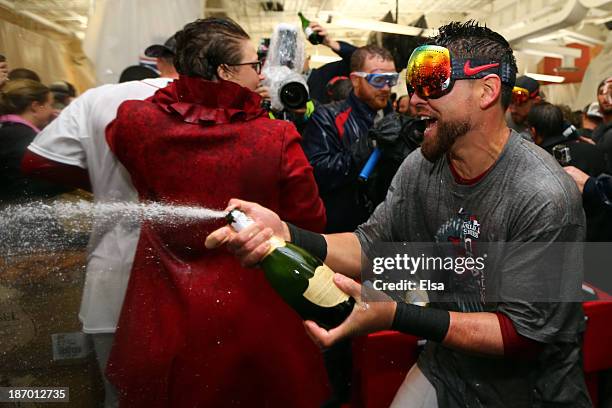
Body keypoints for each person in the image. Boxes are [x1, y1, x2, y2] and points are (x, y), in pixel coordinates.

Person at [208, 21, 591, 407]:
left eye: (433, 81)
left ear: (487, 91)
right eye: (412, 82)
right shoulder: (419, 168)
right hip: (448, 368)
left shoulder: (544, 194)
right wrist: (288, 235)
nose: (415, 97)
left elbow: (520, 334)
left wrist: (395, 315)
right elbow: (371, 247)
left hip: (528, 393)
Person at [104, 17, 330, 407]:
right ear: (225, 72)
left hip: (162, 308)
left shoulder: (135, 121)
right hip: (253, 315)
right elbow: (310, 221)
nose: (260, 72)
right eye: (252, 64)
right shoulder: (273, 136)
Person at [21, 70, 176, 407]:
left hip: (111, 273)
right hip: (179, 280)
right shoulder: (200, 103)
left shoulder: (97, 98)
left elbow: (37, 161)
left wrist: (100, 185)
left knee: (117, 393)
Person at [302, 44, 397, 233]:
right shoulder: (327, 117)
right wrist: (370, 144)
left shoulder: (390, 115)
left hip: (384, 226)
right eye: (378, 79)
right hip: (344, 230)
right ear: (355, 80)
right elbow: (318, 173)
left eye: (392, 79)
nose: (386, 88)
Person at [0, 79, 64, 203]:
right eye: (50, 105)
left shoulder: (8, 130)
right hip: (24, 212)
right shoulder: (29, 140)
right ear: (35, 107)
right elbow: (47, 182)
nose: (53, 111)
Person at [506, 75, 541, 141]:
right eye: (510, 102)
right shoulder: (503, 121)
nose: (512, 110)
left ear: (536, 101)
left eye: (520, 103)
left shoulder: (545, 123)